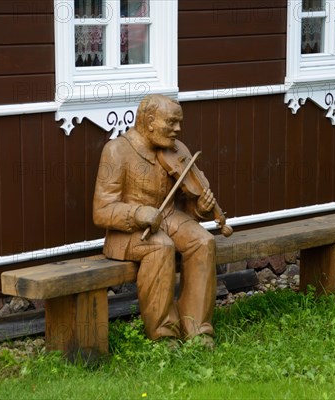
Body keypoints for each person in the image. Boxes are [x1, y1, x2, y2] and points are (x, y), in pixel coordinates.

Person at [93, 94, 232, 346]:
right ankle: (163, 333)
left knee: (202, 241)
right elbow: (101, 210)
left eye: (179, 123)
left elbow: (185, 204)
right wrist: (137, 214)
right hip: (129, 231)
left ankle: (197, 327)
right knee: (161, 246)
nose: (178, 129)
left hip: (168, 216)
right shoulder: (117, 151)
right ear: (149, 121)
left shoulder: (176, 149)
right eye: (171, 123)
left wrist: (200, 208)